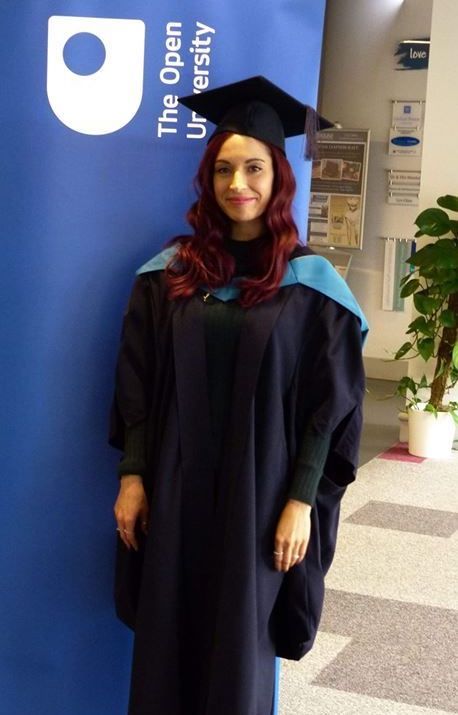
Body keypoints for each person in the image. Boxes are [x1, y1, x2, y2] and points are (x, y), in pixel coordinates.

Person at [109, 76, 367, 715]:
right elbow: (136, 381)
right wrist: (134, 475)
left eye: (254, 168)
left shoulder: (312, 285)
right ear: (209, 178)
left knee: (241, 641)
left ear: (278, 175)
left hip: (263, 489)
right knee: (168, 629)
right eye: (223, 169)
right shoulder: (169, 273)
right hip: (174, 482)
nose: (237, 185)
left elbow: (327, 406)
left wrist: (301, 501)